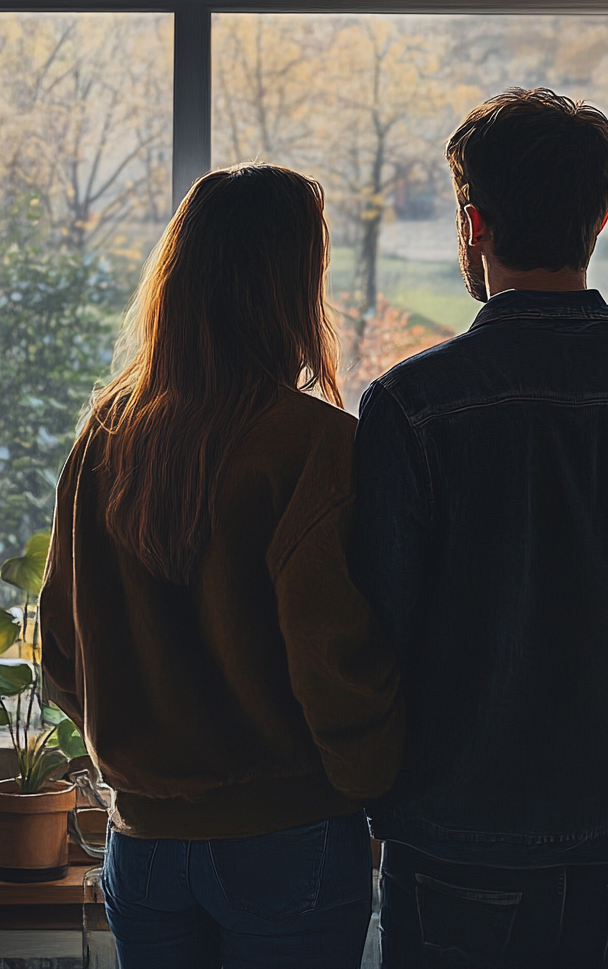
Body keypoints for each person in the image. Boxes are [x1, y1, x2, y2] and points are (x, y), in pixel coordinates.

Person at [353, 89, 608, 968]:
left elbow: (372, 641)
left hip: (452, 846)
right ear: (601, 214)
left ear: (474, 222)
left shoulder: (411, 408)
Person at [40, 164, 404, 969]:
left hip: (141, 849)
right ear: (291, 288)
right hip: (289, 840)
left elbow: (60, 655)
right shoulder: (313, 445)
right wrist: (377, 786)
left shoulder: (104, 437)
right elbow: (333, 664)